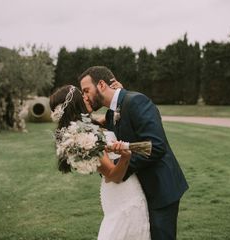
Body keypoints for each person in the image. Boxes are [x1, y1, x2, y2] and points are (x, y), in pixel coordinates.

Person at [79, 66, 189, 240]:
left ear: (101, 85)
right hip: (140, 191)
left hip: (160, 187)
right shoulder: (112, 112)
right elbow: (97, 125)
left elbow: (156, 146)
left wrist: (121, 168)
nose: (84, 96)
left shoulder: (136, 101)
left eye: (86, 90)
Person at [49, 85, 151, 240]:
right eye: (82, 95)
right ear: (76, 103)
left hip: (123, 189)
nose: (86, 97)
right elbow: (112, 175)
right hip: (121, 191)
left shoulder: (88, 126)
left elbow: (113, 115)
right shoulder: (81, 137)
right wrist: (125, 157)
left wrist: (119, 94)